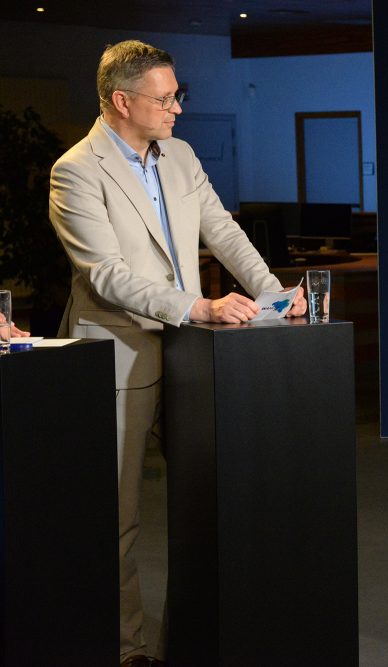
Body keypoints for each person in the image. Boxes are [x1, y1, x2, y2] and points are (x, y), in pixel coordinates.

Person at [48, 40, 307, 666]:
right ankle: (124, 649)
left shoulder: (182, 155)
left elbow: (222, 230)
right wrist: (197, 307)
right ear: (122, 101)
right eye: (165, 100)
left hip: (195, 357)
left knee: (214, 504)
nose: (177, 111)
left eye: (177, 97)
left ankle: (199, 642)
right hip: (118, 357)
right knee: (116, 521)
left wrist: (275, 297)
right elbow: (105, 275)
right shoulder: (76, 170)